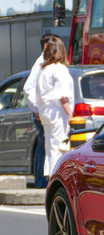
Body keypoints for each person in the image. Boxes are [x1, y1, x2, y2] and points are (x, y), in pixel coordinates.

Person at [35, 36, 74, 178]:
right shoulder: (59, 69)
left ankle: (51, 177)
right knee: (59, 149)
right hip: (57, 113)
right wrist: (70, 114)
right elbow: (63, 96)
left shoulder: (43, 71)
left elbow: (37, 94)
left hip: (45, 113)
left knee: (51, 149)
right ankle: (57, 180)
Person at [23, 33, 59, 188]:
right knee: (44, 147)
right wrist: (38, 109)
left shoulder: (48, 63)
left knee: (45, 146)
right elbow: (27, 88)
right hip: (43, 113)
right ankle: (41, 181)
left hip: (47, 112)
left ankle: (43, 180)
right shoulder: (40, 63)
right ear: (46, 46)